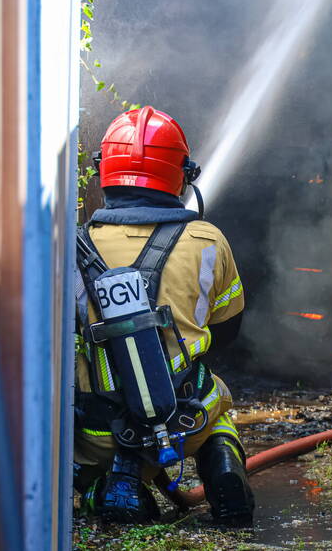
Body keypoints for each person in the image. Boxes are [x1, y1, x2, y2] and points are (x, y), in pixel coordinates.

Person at [73, 106, 254, 526]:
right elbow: (228, 331)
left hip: (102, 430)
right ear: (182, 173)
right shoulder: (207, 241)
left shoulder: (74, 246)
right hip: (187, 418)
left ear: (104, 171)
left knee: (83, 461)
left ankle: (116, 487)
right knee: (217, 408)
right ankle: (222, 463)